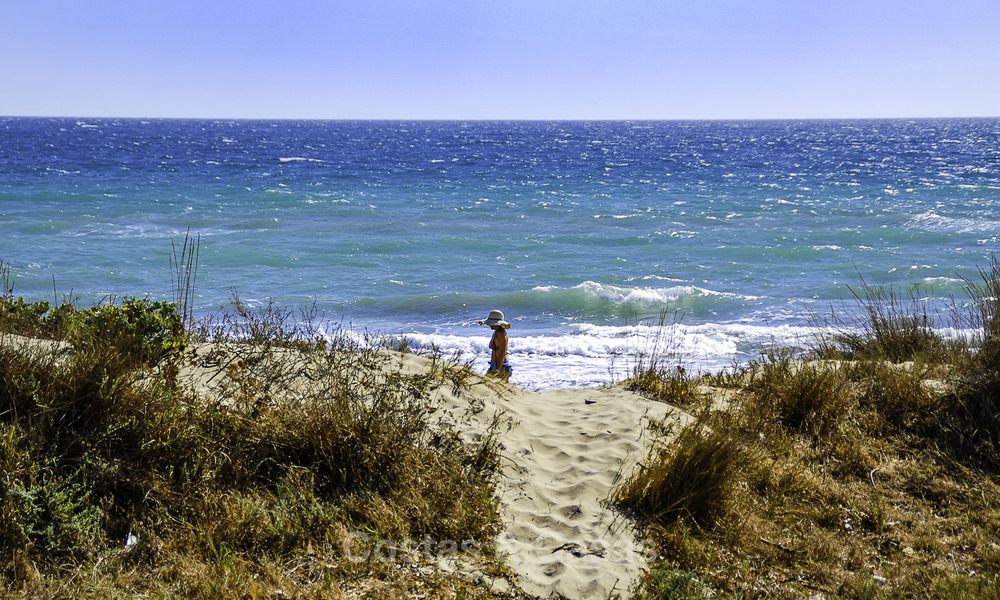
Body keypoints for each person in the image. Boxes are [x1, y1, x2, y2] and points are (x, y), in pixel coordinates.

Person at [478, 309, 512, 380]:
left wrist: (497, 369)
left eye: (491, 323)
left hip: (501, 366)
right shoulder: (497, 332)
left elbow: (502, 352)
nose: (490, 325)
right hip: (495, 364)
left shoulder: (501, 334)